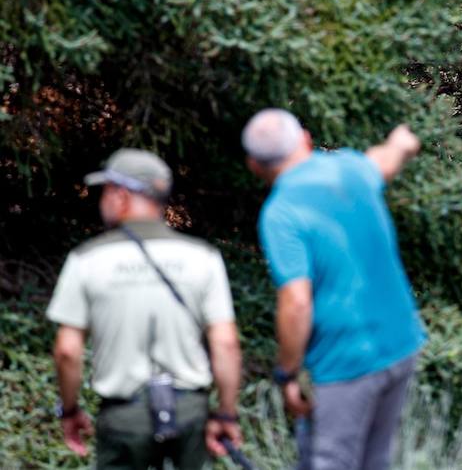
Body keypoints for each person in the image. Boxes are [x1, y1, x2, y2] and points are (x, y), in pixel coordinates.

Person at [241, 108, 425, 470]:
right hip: (401, 345)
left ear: (254, 165)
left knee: (332, 462)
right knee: (375, 460)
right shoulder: (348, 168)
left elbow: (296, 301)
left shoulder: (281, 213)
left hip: (346, 361)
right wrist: (402, 141)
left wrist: (288, 373)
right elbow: (385, 159)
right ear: (306, 140)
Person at [46, 148, 243, 470]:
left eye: (106, 191)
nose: (102, 201)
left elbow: (68, 350)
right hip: (189, 411)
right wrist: (225, 413)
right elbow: (226, 343)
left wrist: (70, 410)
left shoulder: (87, 260)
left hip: (124, 415)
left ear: (121, 196)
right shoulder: (203, 257)